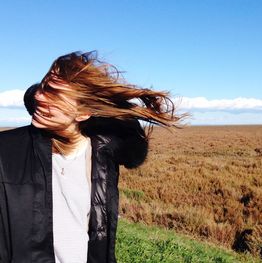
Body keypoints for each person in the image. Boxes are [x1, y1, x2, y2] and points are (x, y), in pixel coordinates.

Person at [0, 51, 182, 263]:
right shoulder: (7, 151)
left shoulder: (102, 153)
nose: (39, 96)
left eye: (54, 95)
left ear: (83, 113)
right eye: (43, 87)